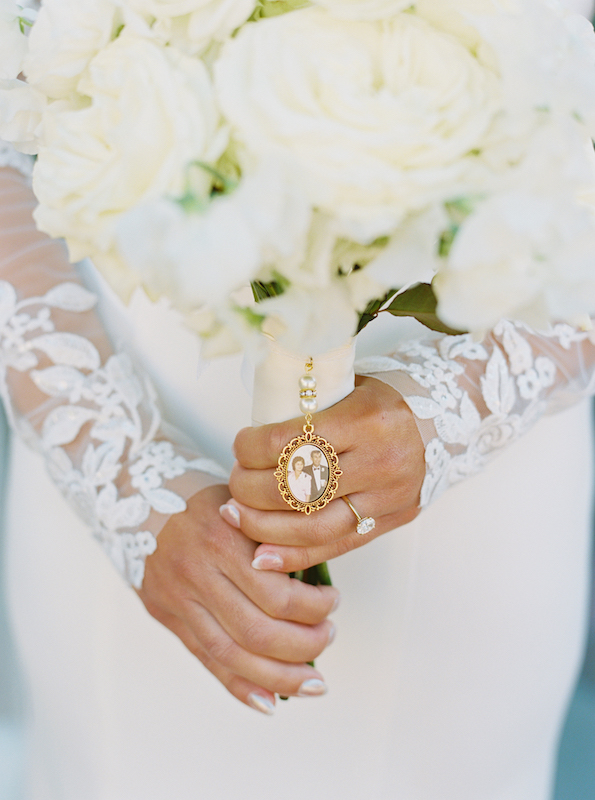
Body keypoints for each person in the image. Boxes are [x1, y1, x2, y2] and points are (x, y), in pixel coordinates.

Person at [1, 3, 594, 795]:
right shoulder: (121, 469)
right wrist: (128, 483)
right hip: (121, 387)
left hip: (490, 452)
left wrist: (456, 410)